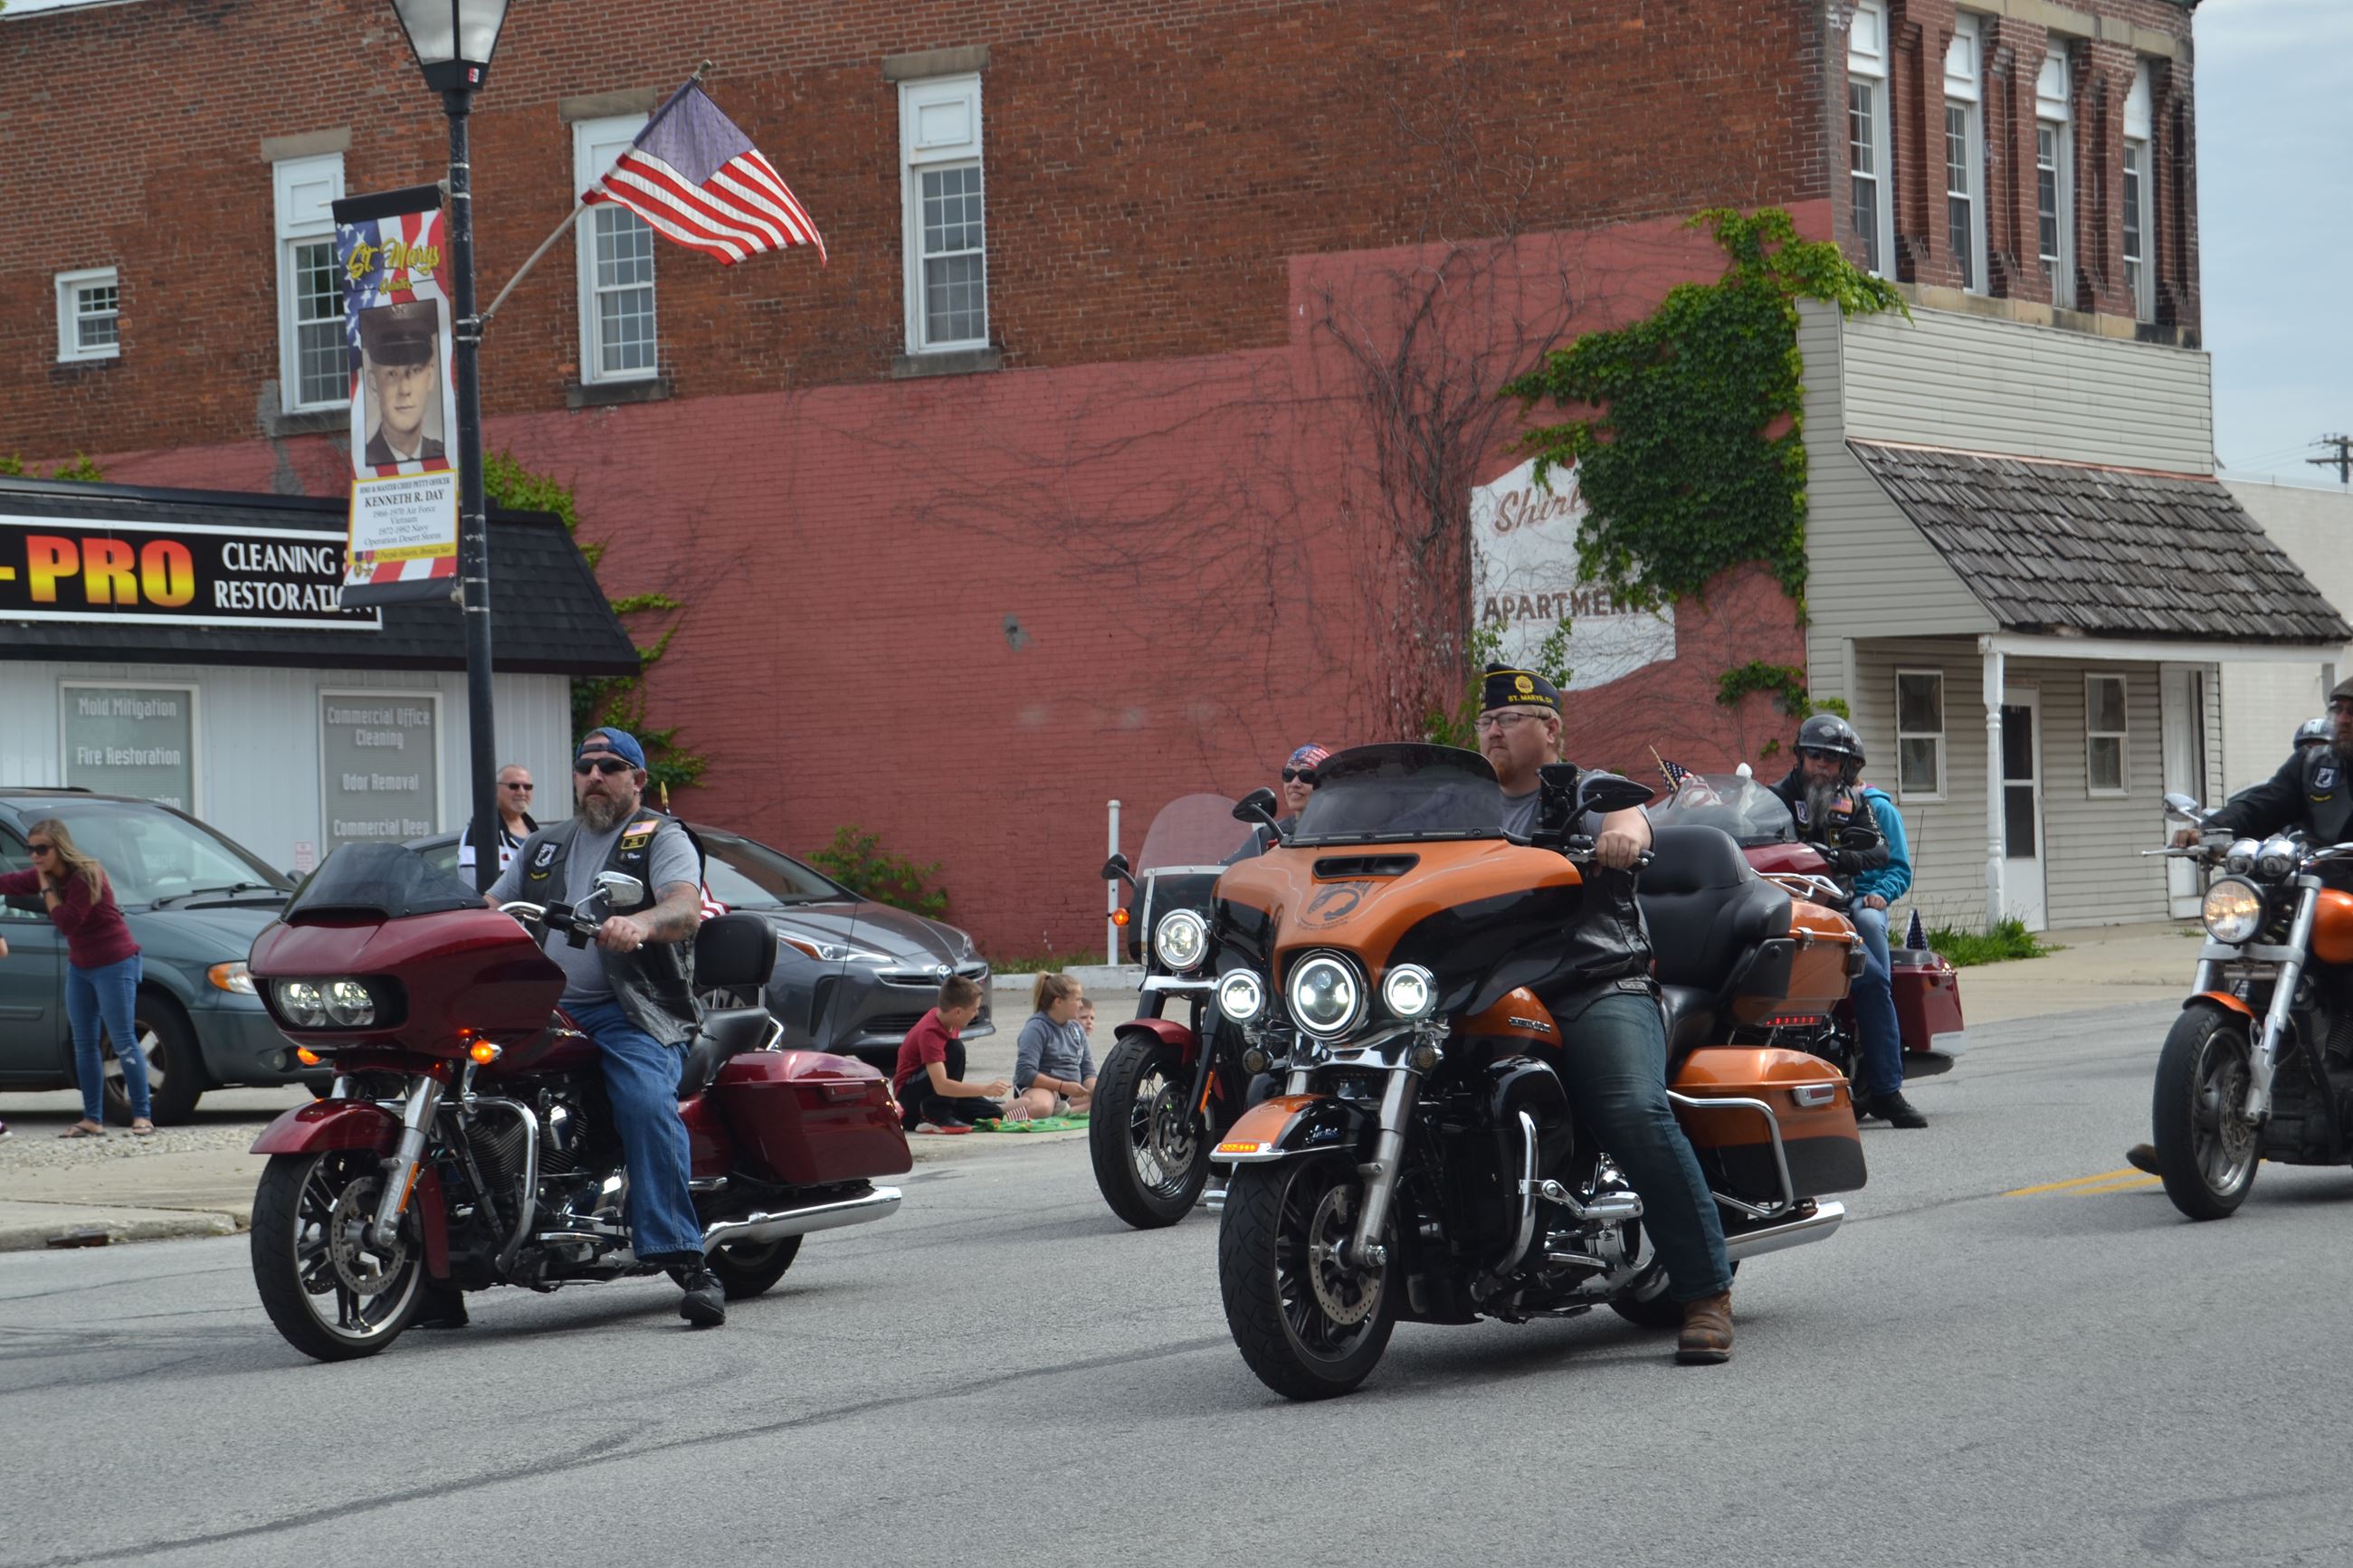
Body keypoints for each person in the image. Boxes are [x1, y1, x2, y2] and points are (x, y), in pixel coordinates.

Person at [1474, 663, 1738, 1364]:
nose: (1492, 730)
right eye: (1486, 720)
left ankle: (1706, 1291)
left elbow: (1630, 821)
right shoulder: (1460, 804)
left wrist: (1624, 840)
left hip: (1594, 980)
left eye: (1508, 719)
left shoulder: (1586, 791)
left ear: (1550, 729)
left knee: (1629, 1106)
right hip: (1482, 990)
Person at [483, 727, 726, 1327]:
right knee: (467, 1092)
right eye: (585, 765)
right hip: (548, 1009)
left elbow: (684, 906)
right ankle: (445, 1262)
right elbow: (489, 907)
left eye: (611, 766)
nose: (595, 774)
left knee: (644, 1100)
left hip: (634, 1009)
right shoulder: (545, 845)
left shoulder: (660, 837)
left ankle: (684, 1254)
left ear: (637, 780)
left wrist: (640, 923)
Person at [2127, 678, 2353, 1174]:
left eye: (2352, 711)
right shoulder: (2315, 766)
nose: (2342, 719)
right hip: (2308, 890)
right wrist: (2211, 830)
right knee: (2249, 954)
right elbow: (2263, 803)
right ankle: (2185, 1137)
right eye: (2338, 709)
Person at [1766, 714, 1926, 1129]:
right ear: (1800, 757)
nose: (1821, 765)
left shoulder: (1853, 804)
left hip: (1837, 910)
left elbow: (1879, 850)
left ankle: (1887, 1091)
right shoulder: (1774, 799)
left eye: (1830, 759)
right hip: (1781, 906)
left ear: (1844, 766)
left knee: (1871, 979)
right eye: (1814, 755)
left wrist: (1838, 858)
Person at [0, 820, 150, 1137]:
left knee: (123, 1040)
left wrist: (45, 889)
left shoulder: (86, 875)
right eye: (30, 849)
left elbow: (67, 922)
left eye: (42, 849)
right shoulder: (45, 873)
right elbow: (10, 883)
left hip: (114, 962)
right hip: (81, 966)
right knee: (83, 1043)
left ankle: (142, 1116)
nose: (35, 856)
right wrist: (39, 881)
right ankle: (92, 1119)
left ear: (60, 847)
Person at [892, 975, 1009, 1130]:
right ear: (958, 1012)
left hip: (934, 1093)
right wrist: (986, 1089)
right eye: (974, 1009)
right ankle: (937, 1116)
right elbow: (941, 1086)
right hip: (909, 1093)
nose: (976, 1013)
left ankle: (918, 1117)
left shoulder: (950, 1021)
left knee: (991, 1112)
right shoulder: (930, 1033)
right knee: (956, 1049)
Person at [359, 300, 445, 467]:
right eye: (392, 374)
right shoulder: (366, 463)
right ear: (373, 385)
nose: (404, 390)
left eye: (415, 370)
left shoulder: (441, 454)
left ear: (430, 377)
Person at [1010, 973, 1096, 1120]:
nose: (1081, 1004)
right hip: (1041, 1088)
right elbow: (1025, 1073)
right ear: (1058, 1002)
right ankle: (1000, 1110)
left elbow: (1087, 1070)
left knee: (1111, 1098)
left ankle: (1065, 1111)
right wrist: (1062, 1086)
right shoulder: (1036, 1028)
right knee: (1042, 1108)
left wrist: (1095, 1089)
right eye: (1077, 999)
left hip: (1070, 1092)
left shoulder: (1076, 1029)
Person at [495, 764, 539, 870]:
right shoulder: (481, 831)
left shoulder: (537, 833)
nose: (521, 793)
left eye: (527, 787)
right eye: (514, 786)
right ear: (495, 789)